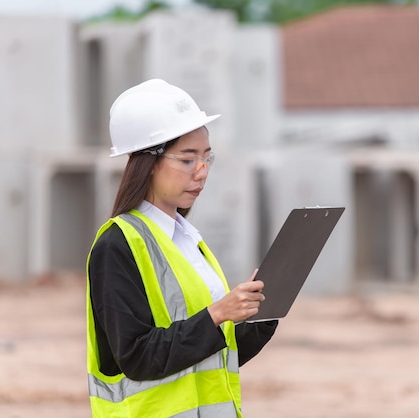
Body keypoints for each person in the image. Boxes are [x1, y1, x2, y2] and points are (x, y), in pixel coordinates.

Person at [86, 79, 278, 417]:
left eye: (207, 158)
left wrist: (262, 315)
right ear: (148, 162)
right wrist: (218, 314)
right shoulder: (117, 245)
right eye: (188, 160)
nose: (202, 173)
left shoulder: (189, 240)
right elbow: (137, 356)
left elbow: (214, 352)